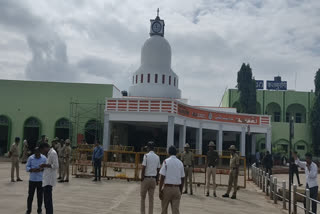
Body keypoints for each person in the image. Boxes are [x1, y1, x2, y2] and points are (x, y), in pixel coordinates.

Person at [159, 146, 185, 214]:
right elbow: (183, 178)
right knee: (175, 211)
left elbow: (162, 177)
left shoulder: (165, 162)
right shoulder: (180, 163)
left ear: (168, 153)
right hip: (177, 189)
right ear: (176, 153)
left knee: (164, 209)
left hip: (167, 188)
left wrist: (160, 190)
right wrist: (181, 190)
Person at [140, 141, 160, 214]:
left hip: (146, 178)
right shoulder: (157, 157)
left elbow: (143, 167)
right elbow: (158, 169)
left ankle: (143, 212)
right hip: (153, 179)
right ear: (154, 148)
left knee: (143, 198)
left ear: (148, 148)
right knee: (151, 199)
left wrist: (142, 178)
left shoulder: (146, 156)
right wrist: (157, 179)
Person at [25, 147, 47, 214]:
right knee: (30, 196)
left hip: (40, 180)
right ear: (34, 152)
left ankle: (39, 210)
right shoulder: (31, 158)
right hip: (32, 180)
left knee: (40, 196)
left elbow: (47, 167)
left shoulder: (44, 158)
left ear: (40, 152)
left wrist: (42, 169)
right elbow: (27, 167)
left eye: (38, 152)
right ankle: (28, 210)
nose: (37, 154)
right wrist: (32, 169)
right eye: (36, 152)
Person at [39, 142, 59, 214]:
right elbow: (49, 165)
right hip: (46, 179)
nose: (42, 153)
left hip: (49, 181)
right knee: (46, 201)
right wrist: (44, 167)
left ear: (45, 148)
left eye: (42, 151)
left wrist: (45, 165)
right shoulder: (49, 153)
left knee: (48, 200)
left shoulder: (53, 153)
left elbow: (56, 165)